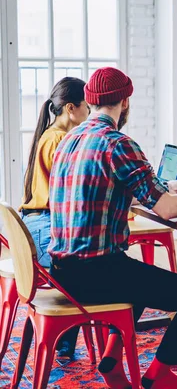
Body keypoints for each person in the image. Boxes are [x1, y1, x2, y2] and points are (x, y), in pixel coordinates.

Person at [48, 67, 177, 389]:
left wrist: (150, 191)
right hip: (97, 273)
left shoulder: (67, 141)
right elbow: (166, 209)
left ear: (89, 102)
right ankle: (156, 378)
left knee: (139, 276)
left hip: (61, 270)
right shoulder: (118, 143)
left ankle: (111, 362)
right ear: (125, 101)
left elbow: (93, 194)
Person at [20, 77, 90, 358]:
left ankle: (64, 344)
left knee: (84, 267)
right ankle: (108, 333)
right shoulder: (62, 140)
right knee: (93, 270)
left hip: (35, 225)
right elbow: (72, 195)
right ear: (72, 108)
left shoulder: (50, 134)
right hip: (45, 228)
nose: (90, 112)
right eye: (87, 106)